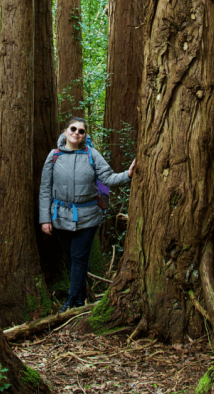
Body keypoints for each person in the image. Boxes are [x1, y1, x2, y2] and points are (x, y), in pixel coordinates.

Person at [39, 117, 135, 312]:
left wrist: (128, 175)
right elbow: (45, 189)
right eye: (73, 129)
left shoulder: (92, 154)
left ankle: (72, 302)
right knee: (71, 258)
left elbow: (108, 178)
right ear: (65, 131)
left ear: (84, 136)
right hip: (60, 217)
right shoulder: (54, 155)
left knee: (79, 258)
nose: (76, 133)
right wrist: (45, 219)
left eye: (81, 131)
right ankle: (81, 297)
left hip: (88, 217)